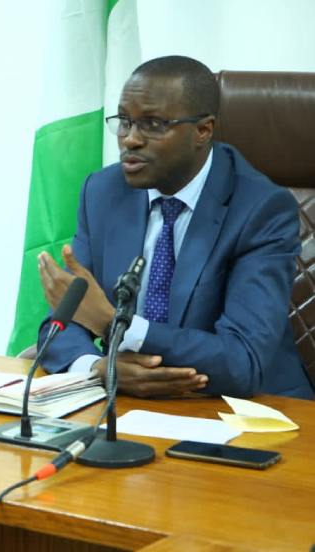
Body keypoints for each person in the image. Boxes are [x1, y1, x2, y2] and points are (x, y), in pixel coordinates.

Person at [36, 55, 314, 400]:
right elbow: (60, 325)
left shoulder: (261, 210)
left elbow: (242, 361)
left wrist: (115, 325)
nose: (130, 140)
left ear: (203, 130)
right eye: (124, 121)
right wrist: (99, 369)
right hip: (131, 406)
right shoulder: (103, 192)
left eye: (153, 124)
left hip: (251, 411)